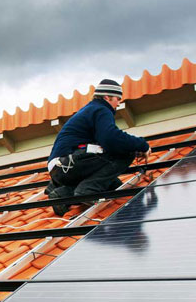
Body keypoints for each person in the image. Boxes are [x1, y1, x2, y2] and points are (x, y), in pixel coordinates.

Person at [45, 79, 150, 216]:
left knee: (112, 185)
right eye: (117, 99)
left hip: (60, 169)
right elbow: (111, 138)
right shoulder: (101, 109)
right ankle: (87, 191)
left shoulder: (89, 110)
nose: (118, 103)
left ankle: (62, 196)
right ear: (107, 97)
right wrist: (142, 145)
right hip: (69, 162)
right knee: (126, 152)